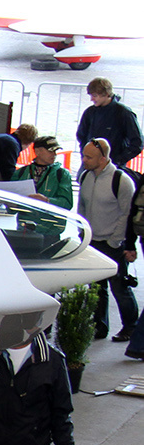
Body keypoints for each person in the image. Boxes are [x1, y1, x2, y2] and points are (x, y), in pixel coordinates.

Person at [77, 138, 138, 343]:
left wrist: (115, 241)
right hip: (92, 242)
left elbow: (127, 213)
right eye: (83, 155)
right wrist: (83, 234)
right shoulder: (85, 176)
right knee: (96, 288)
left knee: (120, 288)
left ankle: (131, 327)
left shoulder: (121, 180)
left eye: (89, 157)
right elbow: (82, 208)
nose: (84, 160)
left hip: (112, 244)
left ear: (103, 159)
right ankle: (99, 326)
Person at [75, 77, 143, 171]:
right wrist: (86, 156)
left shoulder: (123, 113)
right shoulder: (90, 112)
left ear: (106, 94)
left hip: (113, 167)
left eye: (95, 95)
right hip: (90, 167)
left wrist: (118, 161)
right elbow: (81, 136)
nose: (91, 99)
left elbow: (137, 142)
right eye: (91, 95)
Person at [14, 135, 74, 210]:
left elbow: (67, 203)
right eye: (50, 151)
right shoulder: (21, 172)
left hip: (51, 220)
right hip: (25, 219)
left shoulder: (62, 174)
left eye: (55, 151)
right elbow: (11, 200)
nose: (54, 154)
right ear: (37, 151)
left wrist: (47, 200)